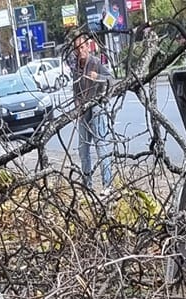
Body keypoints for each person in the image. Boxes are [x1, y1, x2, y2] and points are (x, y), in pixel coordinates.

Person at [69, 34, 114, 192]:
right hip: (83, 110)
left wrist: (98, 77)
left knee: (101, 146)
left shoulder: (95, 62)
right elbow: (76, 91)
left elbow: (111, 80)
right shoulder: (76, 67)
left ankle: (107, 185)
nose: (80, 51)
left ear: (87, 47)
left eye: (82, 47)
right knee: (83, 149)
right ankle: (87, 185)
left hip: (96, 108)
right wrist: (77, 107)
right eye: (77, 49)